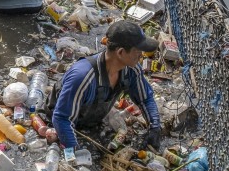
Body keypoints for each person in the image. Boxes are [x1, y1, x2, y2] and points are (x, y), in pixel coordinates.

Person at [51, 20, 163, 151]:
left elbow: (145, 98)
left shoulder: (131, 69)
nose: (141, 55)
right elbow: (61, 118)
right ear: (120, 52)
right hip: (59, 123)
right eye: (138, 51)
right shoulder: (83, 76)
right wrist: (74, 150)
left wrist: (155, 127)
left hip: (93, 121)